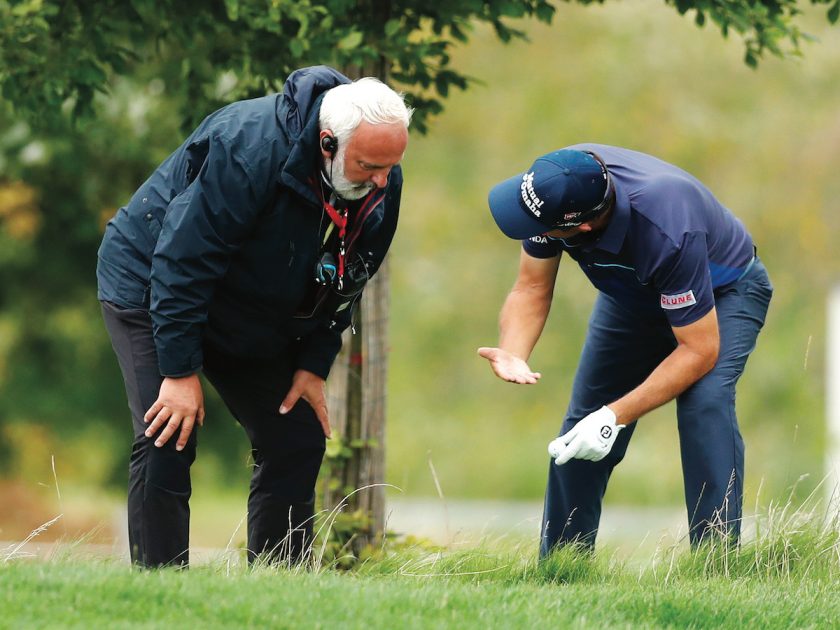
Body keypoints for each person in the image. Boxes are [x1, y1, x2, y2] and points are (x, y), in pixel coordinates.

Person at [97, 65, 412, 568]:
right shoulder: (249, 148)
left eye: (390, 167)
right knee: (168, 432)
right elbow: (183, 260)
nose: (381, 181)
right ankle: (159, 591)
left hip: (245, 297)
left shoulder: (378, 177)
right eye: (370, 166)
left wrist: (313, 362)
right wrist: (179, 371)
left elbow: (352, 274)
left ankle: (276, 588)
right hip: (153, 278)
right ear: (327, 143)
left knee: (296, 435)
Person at [478, 144, 772, 556]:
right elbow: (530, 286)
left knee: (704, 403)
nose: (529, 226)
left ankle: (717, 564)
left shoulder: (668, 225)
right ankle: (563, 567)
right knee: (582, 425)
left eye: (538, 224)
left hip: (724, 293)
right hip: (633, 298)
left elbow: (699, 351)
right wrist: (513, 350)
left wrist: (616, 416)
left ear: (579, 227)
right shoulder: (560, 184)